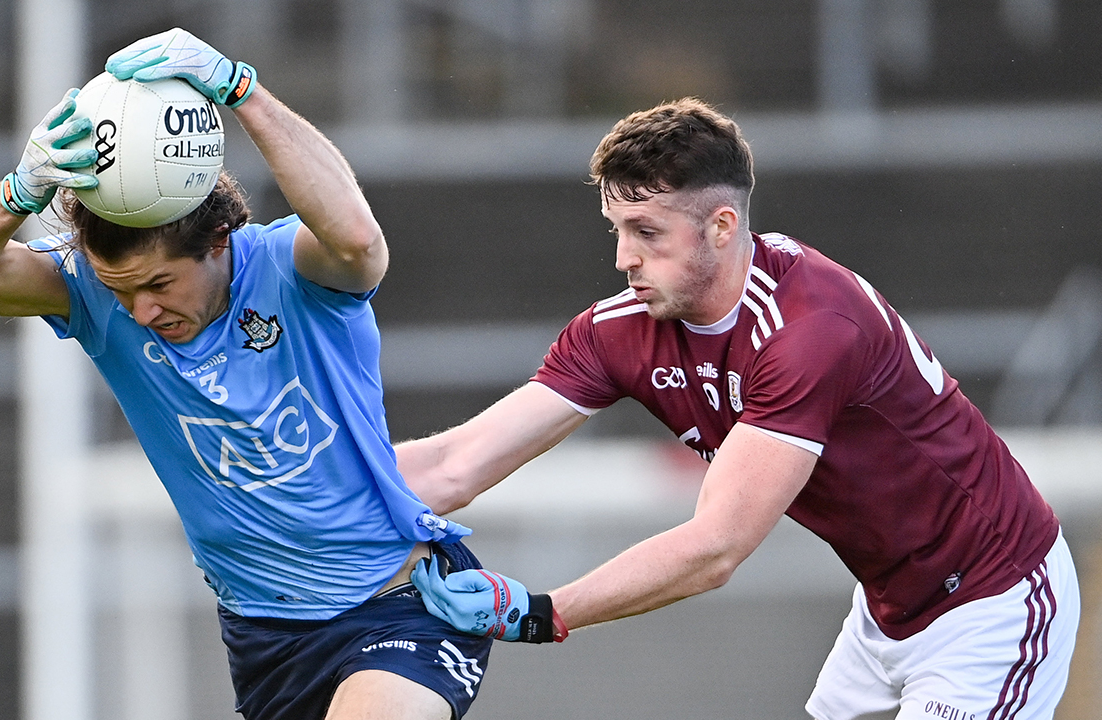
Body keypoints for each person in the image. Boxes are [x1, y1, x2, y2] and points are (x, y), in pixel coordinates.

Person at [398, 97, 1080, 719]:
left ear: (721, 226)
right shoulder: (616, 330)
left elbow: (716, 548)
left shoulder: (810, 327)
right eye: (616, 229)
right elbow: (456, 463)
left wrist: (540, 612)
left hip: (994, 601)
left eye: (646, 232)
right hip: (887, 612)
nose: (622, 258)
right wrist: (304, 495)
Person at [0, 28, 490, 720]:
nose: (142, 309)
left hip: (399, 608)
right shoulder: (98, 302)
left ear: (219, 240)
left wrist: (240, 90)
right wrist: (20, 188)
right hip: (265, 637)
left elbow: (358, 238)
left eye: (159, 283)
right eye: (121, 289)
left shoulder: (293, 270)